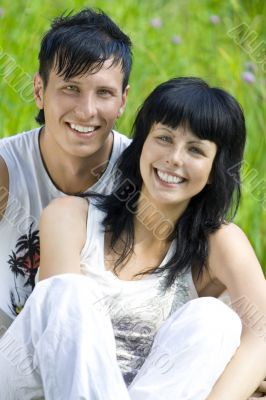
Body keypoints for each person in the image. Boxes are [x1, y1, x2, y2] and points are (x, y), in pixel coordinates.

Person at [0, 77, 266, 399]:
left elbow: (262, 332)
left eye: (195, 149)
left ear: (214, 170)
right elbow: (59, 345)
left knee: (216, 320)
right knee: (68, 292)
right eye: (164, 138)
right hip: (35, 386)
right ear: (141, 144)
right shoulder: (71, 216)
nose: (175, 158)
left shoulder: (219, 242)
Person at [0, 8, 132, 331]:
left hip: (105, 355)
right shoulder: (7, 167)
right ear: (39, 91)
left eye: (103, 93)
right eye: (71, 88)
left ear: (123, 101)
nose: (87, 111)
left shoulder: (140, 171)